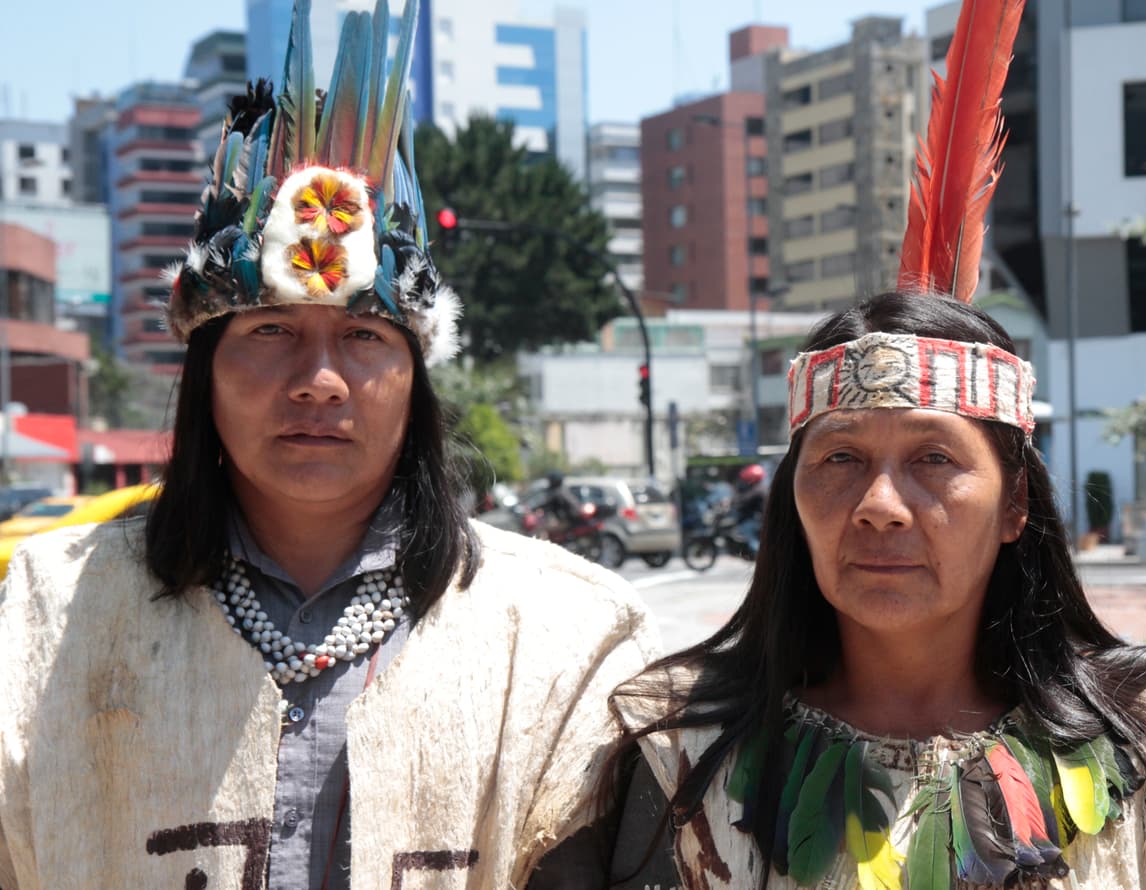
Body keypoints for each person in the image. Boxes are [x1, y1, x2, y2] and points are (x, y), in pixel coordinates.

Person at [591, 1, 1146, 887]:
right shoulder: (680, 748)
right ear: (791, 498)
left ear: (1015, 502)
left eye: (933, 459)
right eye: (839, 459)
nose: (878, 505)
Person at [0, 1, 657, 886]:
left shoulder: (559, 633)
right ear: (206, 376)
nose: (319, 380)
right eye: (270, 331)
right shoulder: (45, 616)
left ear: (416, 378)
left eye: (363, 336)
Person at [729, 463, 768, 557]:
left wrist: (734, 502)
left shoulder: (758, 490)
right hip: (759, 518)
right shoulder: (759, 487)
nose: (746, 481)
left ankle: (760, 554)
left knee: (746, 529)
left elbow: (745, 499)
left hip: (758, 520)